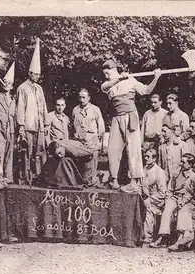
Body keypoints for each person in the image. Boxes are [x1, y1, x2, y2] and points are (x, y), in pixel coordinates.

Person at [101, 59, 162, 190]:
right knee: (113, 149)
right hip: (117, 118)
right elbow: (106, 86)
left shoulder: (131, 81)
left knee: (133, 148)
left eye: (107, 73)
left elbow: (146, 91)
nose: (105, 76)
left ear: (113, 70)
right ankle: (114, 179)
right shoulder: (108, 84)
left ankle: (135, 181)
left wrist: (156, 77)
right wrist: (118, 78)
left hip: (130, 117)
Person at [14, 38, 48, 184]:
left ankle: (38, 176)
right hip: (28, 125)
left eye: (38, 74)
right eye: (35, 74)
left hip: (39, 125)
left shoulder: (39, 89)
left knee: (39, 152)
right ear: (29, 73)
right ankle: (24, 177)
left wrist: (46, 123)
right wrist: (21, 125)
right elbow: (20, 107)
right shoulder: (23, 88)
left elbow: (44, 107)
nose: (37, 76)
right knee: (25, 152)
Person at [150, 153, 195, 248]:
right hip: (174, 197)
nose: (181, 164)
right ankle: (162, 237)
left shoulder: (194, 176)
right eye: (181, 161)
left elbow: (192, 193)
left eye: (183, 162)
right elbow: (170, 189)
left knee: (182, 211)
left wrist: (183, 201)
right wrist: (168, 199)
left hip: (186, 200)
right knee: (167, 211)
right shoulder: (176, 173)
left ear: (190, 164)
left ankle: (180, 240)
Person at [70, 88, 105, 185]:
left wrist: (98, 137)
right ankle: (82, 180)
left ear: (89, 98)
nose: (81, 100)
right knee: (81, 163)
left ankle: (93, 179)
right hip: (80, 141)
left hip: (92, 140)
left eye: (84, 97)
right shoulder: (75, 110)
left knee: (93, 162)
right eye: (80, 97)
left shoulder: (95, 109)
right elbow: (73, 125)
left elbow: (101, 124)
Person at [140, 149, 167, 247]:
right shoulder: (145, 168)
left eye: (148, 156)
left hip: (157, 202)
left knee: (149, 209)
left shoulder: (160, 172)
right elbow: (141, 184)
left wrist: (150, 200)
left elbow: (162, 193)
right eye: (145, 156)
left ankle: (147, 238)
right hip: (145, 198)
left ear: (154, 158)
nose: (145, 158)